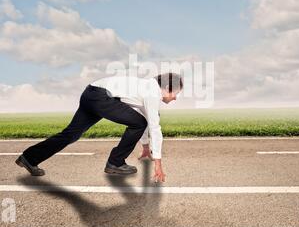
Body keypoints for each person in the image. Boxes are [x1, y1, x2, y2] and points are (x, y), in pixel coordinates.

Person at [15, 72, 183, 183]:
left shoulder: (147, 87)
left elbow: (148, 118)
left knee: (70, 134)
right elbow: (154, 127)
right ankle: (115, 163)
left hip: (91, 93)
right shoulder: (152, 93)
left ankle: (29, 158)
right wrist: (158, 165)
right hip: (101, 97)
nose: (175, 98)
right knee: (138, 123)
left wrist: (146, 147)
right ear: (168, 88)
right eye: (176, 94)